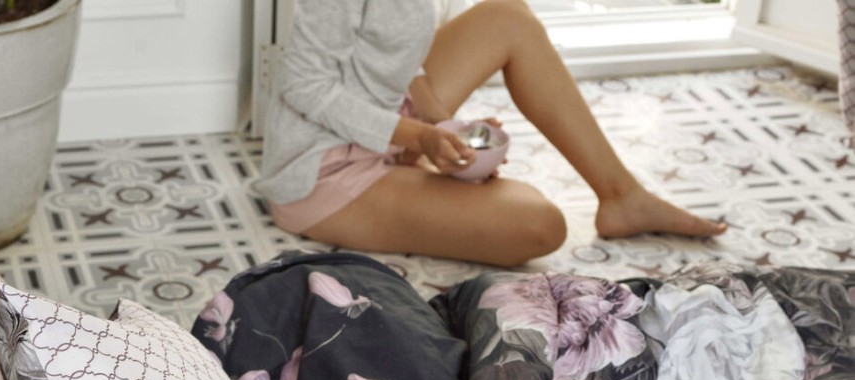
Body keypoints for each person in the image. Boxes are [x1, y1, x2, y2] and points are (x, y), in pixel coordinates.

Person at [257, 0, 727, 267]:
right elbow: (303, 84)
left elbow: (389, 50)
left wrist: (441, 125)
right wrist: (419, 138)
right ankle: (408, 176)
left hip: (388, 116)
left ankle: (623, 196)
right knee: (542, 226)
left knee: (508, 17)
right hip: (326, 170)